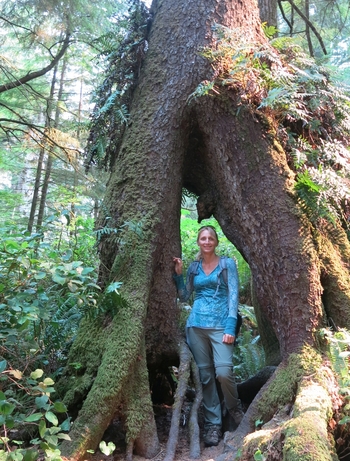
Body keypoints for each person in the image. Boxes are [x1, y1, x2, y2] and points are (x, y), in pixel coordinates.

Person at [173, 225, 244, 447]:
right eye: (202, 238)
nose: (206, 241)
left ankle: (234, 409)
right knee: (206, 376)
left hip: (221, 325)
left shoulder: (227, 264)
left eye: (210, 238)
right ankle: (213, 423)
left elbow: (234, 295)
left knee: (223, 370)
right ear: (198, 242)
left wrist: (230, 327)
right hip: (196, 326)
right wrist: (178, 276)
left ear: (216, 241)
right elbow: (185, 296)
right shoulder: (194, 267)